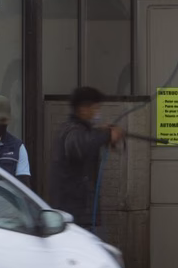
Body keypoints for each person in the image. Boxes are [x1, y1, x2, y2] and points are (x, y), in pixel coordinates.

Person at [49, 86, 123, 230]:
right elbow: (81, 145)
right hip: (74, 212)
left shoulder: (80, 130)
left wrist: (100, 132)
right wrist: (107, 135)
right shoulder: (72, 131)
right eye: (95, 108)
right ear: (83, 109)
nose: (97, 113)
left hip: (80, 211)